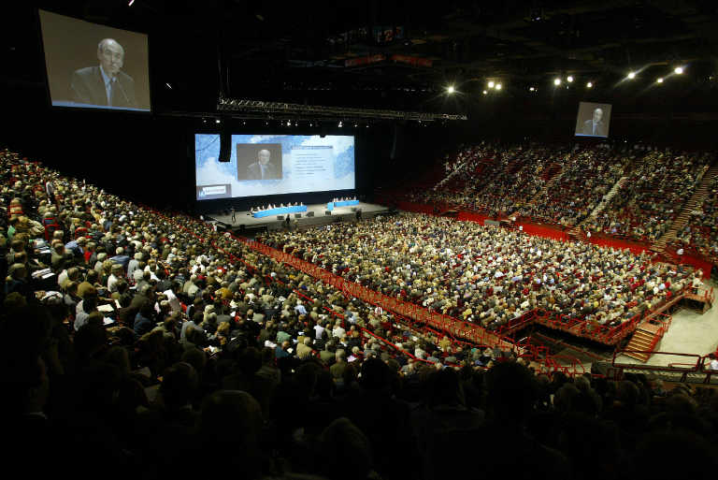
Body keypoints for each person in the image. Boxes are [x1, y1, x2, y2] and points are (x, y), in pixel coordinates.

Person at [70, 38, 138, 109]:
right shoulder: (83, 77)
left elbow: (132, 108)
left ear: (122, 63)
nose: (113, 60)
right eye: (108, 53)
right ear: (99, 55)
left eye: (117, 56)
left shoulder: (127, 82)